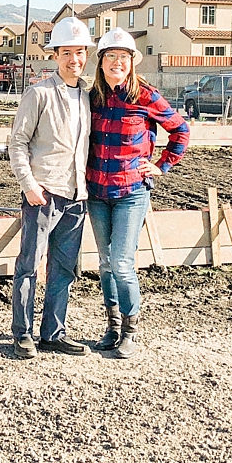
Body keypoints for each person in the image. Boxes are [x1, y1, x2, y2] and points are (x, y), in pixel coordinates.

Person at [86, 27, 190, 359]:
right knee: (104, 263)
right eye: (111, 56)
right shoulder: (93, 99)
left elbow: (181, 130)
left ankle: (130, 330)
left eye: (124, 57)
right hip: (97, 192)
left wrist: (163, 165)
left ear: (132, 62)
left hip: (130, 191)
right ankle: (112, 327)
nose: (118, 62)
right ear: (101, 62)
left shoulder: (146, 96)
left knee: (121, 262)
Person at [6, 16, 96, 359]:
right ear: (55, 55)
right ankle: (23, 333)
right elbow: (17, 143)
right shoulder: (39, 93)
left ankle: (53, 332)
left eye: (80, 52)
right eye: (67, 53)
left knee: (63, 267)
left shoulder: (87, 97)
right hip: (43, 194)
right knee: (29, 264)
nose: (75, 59)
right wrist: (29, 185)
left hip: (76, 195)